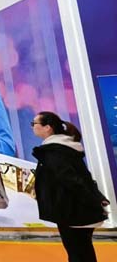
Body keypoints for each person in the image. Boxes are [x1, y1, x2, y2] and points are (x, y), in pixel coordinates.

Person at [32, 112, 109, 262]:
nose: (32, 127)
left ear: (47, 127)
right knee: (83, 251)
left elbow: (72, 180)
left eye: (34, 123)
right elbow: (81, 177)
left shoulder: (54, 152)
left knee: (77, 252)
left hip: (72, 211)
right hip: (76, 209)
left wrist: (93, 200)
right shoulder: (63, 148)